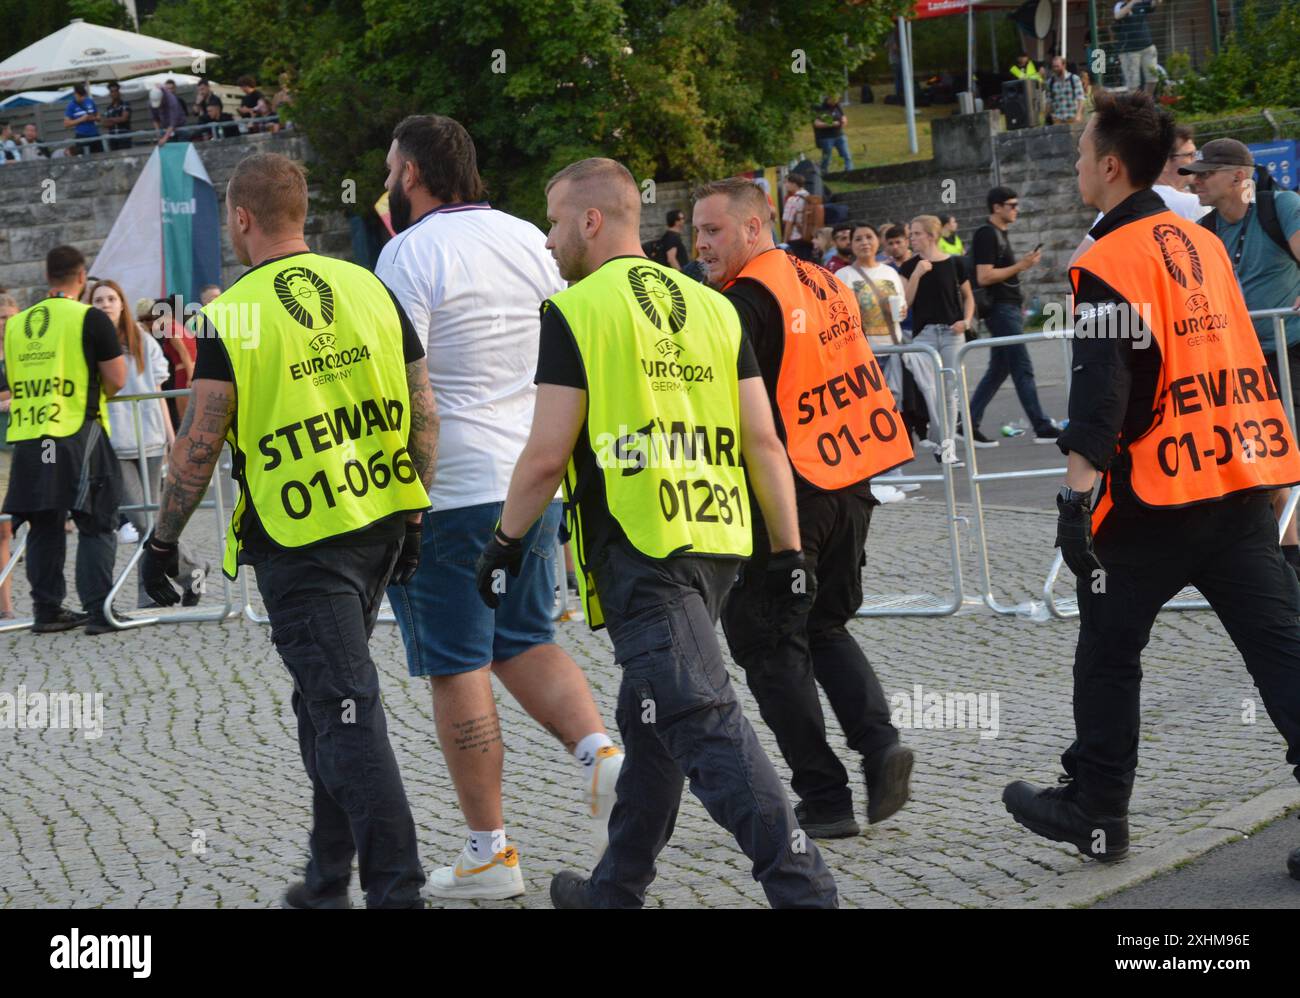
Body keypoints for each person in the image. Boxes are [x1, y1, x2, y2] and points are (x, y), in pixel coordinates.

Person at [480, 157, 838, 909]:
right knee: (651, 719)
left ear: (590, 220)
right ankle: (616, 889)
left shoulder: (575, 312)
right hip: (715, 538)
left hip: (642, 549)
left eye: (552, 221)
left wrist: (505, 546)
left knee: (700, 718)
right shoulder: (715, 307)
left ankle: (805, 891)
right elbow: (762, 441)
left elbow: (546, 455)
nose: (547, 242)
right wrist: (789, 550)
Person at [1003, 90, 1300, 871]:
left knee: (1107, 649)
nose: (1073, 167)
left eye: (1077, 155)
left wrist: (1075, 497)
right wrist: (1269, 467)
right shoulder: (1201, 243)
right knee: (1281, 650)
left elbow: (1101, 392)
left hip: (1155, 498)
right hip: (1235, 479)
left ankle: (1098, 809)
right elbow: (1237, 350)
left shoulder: (1106, 260)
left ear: (1108, 166)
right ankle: (1095, 806)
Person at [142, 152, 437, 909]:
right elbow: (424, 411)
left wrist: (163, 543)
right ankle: (325, 880)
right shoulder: (367, 286)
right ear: (302, 212)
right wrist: (413, 513)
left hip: (301, 538)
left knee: (347, 710)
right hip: (376, 521)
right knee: (325, 704)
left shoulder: (235, 312)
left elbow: (198, 444)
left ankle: (398, 891)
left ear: (241, 220)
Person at [374, 114, 624, 900]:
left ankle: (490, 851)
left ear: (411, 173)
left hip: (451, 490)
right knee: (519, 635)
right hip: (529, 474)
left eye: (390, 168)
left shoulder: (407, 254)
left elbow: (408, 389)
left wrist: (405, 503)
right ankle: (600, 757)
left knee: (457, 660)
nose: (386, 182)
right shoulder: (528, 237)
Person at [695, 180, 916, 839]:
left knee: (766, 639)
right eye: (697, 233)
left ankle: (824, 796)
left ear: (754, 227)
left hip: (789, 491)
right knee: (824, 625)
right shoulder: (820, 280)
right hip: (853, 479)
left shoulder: (744, 302)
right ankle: (880, 746)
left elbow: (735, 413)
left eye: (714, 231)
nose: (701, 244)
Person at [1183, 138, 1300, 577]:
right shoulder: (1206, 231)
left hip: (1292, 353)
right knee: (1262, 464)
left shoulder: (1280, 205)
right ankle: (1287, 563)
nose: (1195, 182)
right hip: (1241, 363)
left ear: (1238, 176)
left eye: (1205, 173)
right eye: (1192, 173)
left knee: (1281, 461)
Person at [1, 246, 126, 634]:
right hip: (76, 430)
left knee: (44, 522)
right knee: (96, 519)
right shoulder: (90, 318)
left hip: (29, 435)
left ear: (46, 275)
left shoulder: (17, 324)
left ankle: (47, 610)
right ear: (81, 276)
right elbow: (117, 379)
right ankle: (99, 609)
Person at [90, 279, 206, 607]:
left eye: (111, 298)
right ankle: (193, 569)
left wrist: (173, 438)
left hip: (150, 437)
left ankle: (148, 593)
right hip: (114, 441)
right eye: (98, 300)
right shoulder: (90, 343)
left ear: (122, 303)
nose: (105, 304)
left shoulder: (143, 341)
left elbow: (158, 395)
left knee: (152, 516)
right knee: (144, 520)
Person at [964, 187, 1061, 446]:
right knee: (1022, 367)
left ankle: (967, 423)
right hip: (1000, 310)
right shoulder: (987, 234)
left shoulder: (999, 234)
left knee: (999, 369)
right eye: (1011, 204)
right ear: (997, 207)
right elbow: (984, 276)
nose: (1016, 209)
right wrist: (1022, 266)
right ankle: (1041, 426)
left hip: (1007, 309)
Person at [899, 215, 975, 465]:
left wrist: (967, 320)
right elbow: (905, 304)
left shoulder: (956, 263)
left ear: (931, 236)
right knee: (929, 390)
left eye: (917, 234)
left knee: (950, 391)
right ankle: (937, 437)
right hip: (925, 335)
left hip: (952, 333)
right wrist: (918, 275)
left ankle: (947, 448)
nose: (912, 238)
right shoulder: (909, 267)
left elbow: (968, 297)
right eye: (911, 234)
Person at [0, 293, 17, 618]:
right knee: (2, 529)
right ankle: (6, 607)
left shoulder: (25, 350)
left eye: (10, 316)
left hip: (27, 446)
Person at [1113, 0, 1160, 94]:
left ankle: (1147, 101)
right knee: (1133, 84)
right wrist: (1133, 2)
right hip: (1129, 51)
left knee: (1153, 79)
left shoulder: (1142, 3)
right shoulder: (1120, 5)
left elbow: (1155, 3)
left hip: (1148, 47)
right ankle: (1135, 106)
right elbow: (1117, 15)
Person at [813, 93, 852, 174]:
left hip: (840, 135)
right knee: (827, 158)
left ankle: (850, 172)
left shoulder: (838, 106)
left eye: (837, 100)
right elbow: (817, 124)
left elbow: (843, 117)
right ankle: (824, 173)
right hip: (827, 137)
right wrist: (832, 124)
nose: (836, 101)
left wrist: (844, 121)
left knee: (846, 155)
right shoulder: (821, 108)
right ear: (829, 98)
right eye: (834, 100)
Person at [781, 172, 815, 262]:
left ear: (793, 183)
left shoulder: (793, 199)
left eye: (786, 182)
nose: (785, 185)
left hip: (795, 238)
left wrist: (785, 241)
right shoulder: (809, 196)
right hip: (809, 236)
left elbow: (789, 222)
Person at [62, 83, 101, 156]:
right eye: (80, 96)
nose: (82, 98)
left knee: (99, 157)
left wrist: (93, 118)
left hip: (95, 135)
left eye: (83, 96)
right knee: (83, 159)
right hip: (81, 136)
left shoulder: (90, 101)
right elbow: (66, 124)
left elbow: (98, 117)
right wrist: (81, 119)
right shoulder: (71, 105)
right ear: (75, 94)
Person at [1045, 56, 1085, 125]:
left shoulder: (1074, 79)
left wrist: (1079, 115)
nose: (1055, 69)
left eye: (1057, 66)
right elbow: (1049, 101)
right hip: (1057, 119)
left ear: (1064, 65)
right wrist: (1047, 117)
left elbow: (1080, 99)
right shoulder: (1050, 82)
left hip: (1072, 118)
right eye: (1053, 66)